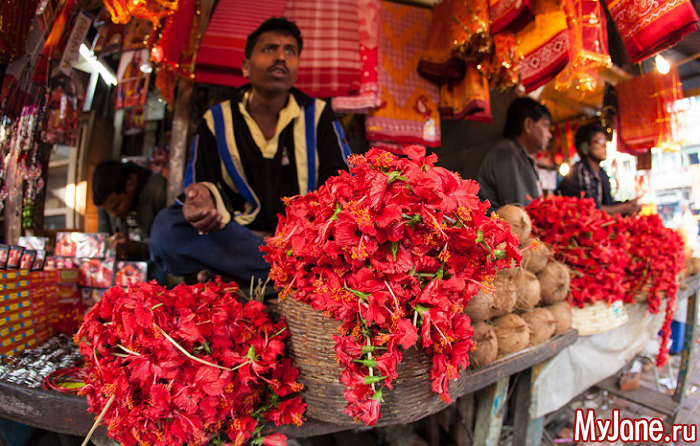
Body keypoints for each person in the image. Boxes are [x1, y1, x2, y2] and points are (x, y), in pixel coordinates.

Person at [150, 17, 351, 283]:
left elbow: (341, 184)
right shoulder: (217, 120)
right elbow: (200, 183)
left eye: (290, 51)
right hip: (238, 237)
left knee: (346, 232)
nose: (281, 58)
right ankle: (286, 272)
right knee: (167, 229)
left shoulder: (319, 116)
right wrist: (202, 198)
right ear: (246, 67)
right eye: (270, 49)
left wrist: (301, 235)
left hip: (303, 241)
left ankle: (254, 271)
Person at [477, 97, 552, 211]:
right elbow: (522, 212)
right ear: (528, 125)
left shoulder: (519, 155)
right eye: (546, 126)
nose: (549, 135)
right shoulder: (508, 155)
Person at [557, 123, 639, 215]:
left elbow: (608, 204)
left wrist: (627, 204)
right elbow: (589, 209)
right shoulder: (579, 172)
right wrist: (624, 208)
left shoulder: (602, 173)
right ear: (585, 147)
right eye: (600, 140)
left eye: (605, 140)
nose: (604, 145)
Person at [93, 160, 168, 261]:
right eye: (108, 211)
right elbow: (103, 240)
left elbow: (169, 244)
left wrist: (134, 247)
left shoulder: (157, 190)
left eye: (116, 206)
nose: (113, 214)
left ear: (130, 183)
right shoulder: (106, 200)